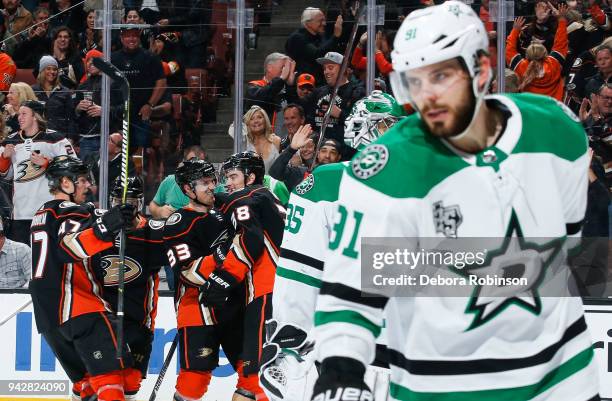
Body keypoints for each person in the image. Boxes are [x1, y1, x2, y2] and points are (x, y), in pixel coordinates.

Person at [311, 2, 599, 401]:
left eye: (441, 76)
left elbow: (566, 239)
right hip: (441, 388)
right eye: (414, 81)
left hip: (562, 379)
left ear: (481, 70)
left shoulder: (557, 131)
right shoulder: (387, 171)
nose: (426, 97)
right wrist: (341, 367)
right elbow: (353, 290)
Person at [259, 91, 404, 401]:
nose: (399, 135)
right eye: (388, 125)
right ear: (363, 129)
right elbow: (299, 268)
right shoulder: (328, 183)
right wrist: (290, 343)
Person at [29, 155, 135, 401]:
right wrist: (106, 226)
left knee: (86, 384)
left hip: (48, 317)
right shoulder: (70, 211)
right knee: (112, 377)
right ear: (65, 183)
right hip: (79, 306)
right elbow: (70, 248)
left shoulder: (42, 213)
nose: (89, 186)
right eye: (83, 180)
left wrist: (111, 217)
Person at [199, 150, 286, 401]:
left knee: (255, 377)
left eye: (233, 176)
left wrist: (223, 279)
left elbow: (251, 239)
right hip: (285, 293)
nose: (228, 182)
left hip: (265, 291)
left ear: (250, 177)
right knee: (269, 373)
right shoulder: (268, 197)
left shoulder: (245, 197)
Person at [161, 158, 247, 401]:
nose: (212, 187)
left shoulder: (223, 212)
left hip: (232, 306)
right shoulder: (178, 223)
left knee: (251, 372)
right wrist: (223, 253)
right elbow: (188, 272)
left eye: (213, 181)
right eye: (204, 183)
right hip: (197, 309)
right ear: (188, 189)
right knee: (194, 381)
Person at [101, 176, 168, 401]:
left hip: (139, 321)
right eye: (119, 201)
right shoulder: (98, 231)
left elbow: (184, 252)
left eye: (130, 201)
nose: (124, 206)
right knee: (97, 381)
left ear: (139, 203)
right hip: (102, 320)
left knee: (130, 383)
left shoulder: (153, 232)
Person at [0, 100, 77, 245]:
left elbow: (73, 167)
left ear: (35, 116)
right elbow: (6, 175)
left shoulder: (56, 139)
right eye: (19, 114)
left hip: (48, 211)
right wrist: (4, 158)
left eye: (24, 114)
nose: (19, 117)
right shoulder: (10, 141)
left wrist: (47, 163)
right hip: (20, 212)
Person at [111, 25, 166, 151]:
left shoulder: (151, 57)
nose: (131, 39)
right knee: (117, 151)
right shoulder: (112, 58)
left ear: (139, 38)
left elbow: (161, 82)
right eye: (128, 36)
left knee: (140, 153)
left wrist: (150, 105)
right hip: (118, 115)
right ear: (121, 38)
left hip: (141, 115)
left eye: (134, 36)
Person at [506, 4, 569, 101]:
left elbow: (509, 50)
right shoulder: (553, 64)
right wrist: (561, 20)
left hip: (530, 111)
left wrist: (515, 30)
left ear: (527, 54)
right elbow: (561, 43)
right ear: (545, 54)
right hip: (553, 110)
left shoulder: (521, 66)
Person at [306, 51, 366, 148]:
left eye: (330, 68)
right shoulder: (318, 92)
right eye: (324, 68)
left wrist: (339, 114)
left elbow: (361, 125)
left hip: (343, 153)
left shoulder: (356, 92)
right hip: (318, 152)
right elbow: (309, 119)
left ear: (343, 69)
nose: (326, 72)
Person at [268, 128, 342, 191]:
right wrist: (291, 149)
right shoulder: (302, 173)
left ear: (339, 157)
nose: (327, 155)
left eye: (333, 152)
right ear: (318, 154)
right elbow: (274, 172)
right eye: (323, 151)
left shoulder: (343, 179)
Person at [285, 7, 343, 85]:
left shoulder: (319, 37)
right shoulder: (297, 38)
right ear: (308, 22)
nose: (324, 23)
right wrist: (335, 36)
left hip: (319, 83)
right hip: (303, 85)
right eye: (320, 21)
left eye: (324, 20)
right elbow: (317, 55)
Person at [149, 145, 206, 219]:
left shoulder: (213, 185)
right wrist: (159, 211)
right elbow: (153, 204)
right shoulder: (170, 181)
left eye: (200, 163)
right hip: (171, 227)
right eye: (191, 162)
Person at [246, 53, 297, 132]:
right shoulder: (254, 87)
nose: (285, 70)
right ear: (269, 68)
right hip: (262, 140)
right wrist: (281, 79)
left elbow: (297, 112)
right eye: (283, 67)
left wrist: (290, 85)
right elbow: (264, 97)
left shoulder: (288, 89)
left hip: (285, 140)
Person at [31, 55, 76, 137]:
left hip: (59, 137)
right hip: (38, 136)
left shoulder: (64, 92)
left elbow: (71, 118)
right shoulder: (33, 90)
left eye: (55, 69)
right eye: (48, 68)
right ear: (41, 71)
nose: (52, 72)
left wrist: (71, 138)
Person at [243, 105, 281, 173]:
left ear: (265, 120)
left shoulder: (276, 140)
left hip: (273, 183)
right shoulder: (244, 142)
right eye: (251, 119)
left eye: (259, 117)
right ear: (248, 124)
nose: (256, 121)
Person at [0, 214, 31, 288]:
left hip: (19, 297)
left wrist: (19, 294)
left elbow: (33, 281)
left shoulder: (22, 250)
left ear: (1, 236)